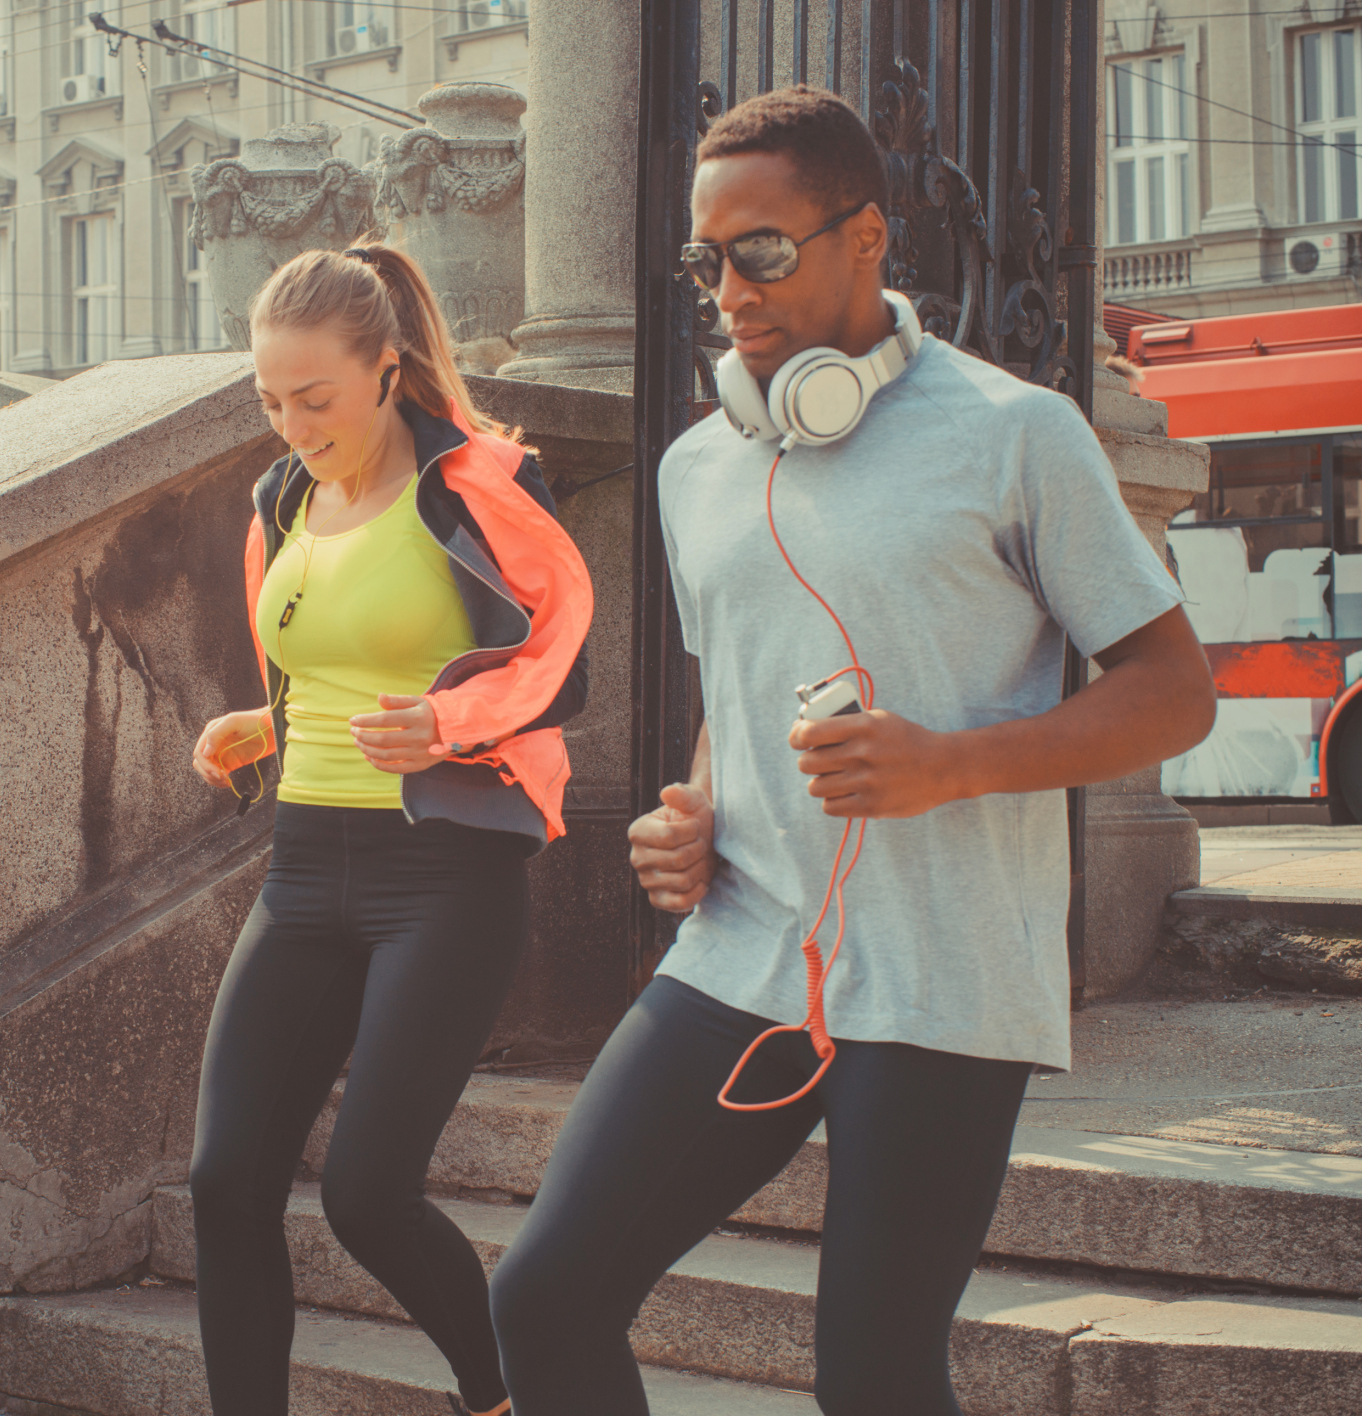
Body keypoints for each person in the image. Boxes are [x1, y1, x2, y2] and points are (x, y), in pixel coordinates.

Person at [488, 86, 1215, 1416]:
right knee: (542, 1295)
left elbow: (1173, 694)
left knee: (872, 1380)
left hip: (943, 976)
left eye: (759, 249)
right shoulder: (699, 465)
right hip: (741, 950)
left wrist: (951, 764)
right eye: (704, 259)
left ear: (867, 237)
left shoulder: (1015, 434)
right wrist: (692, 811)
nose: (727, 289)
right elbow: (742, 696)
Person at [187, 243, 593, 1416]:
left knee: (368, 1193)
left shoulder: (481, 486)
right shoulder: (282, 498)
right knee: (225, 1180)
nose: (292, 423)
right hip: (304, 871)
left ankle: (499, 1394)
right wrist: (262, 724)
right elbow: (320, 657)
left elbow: (560, 663)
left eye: (313, 398)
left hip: (445, 879)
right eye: (270, 400)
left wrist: (450, 725)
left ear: (384, 369)